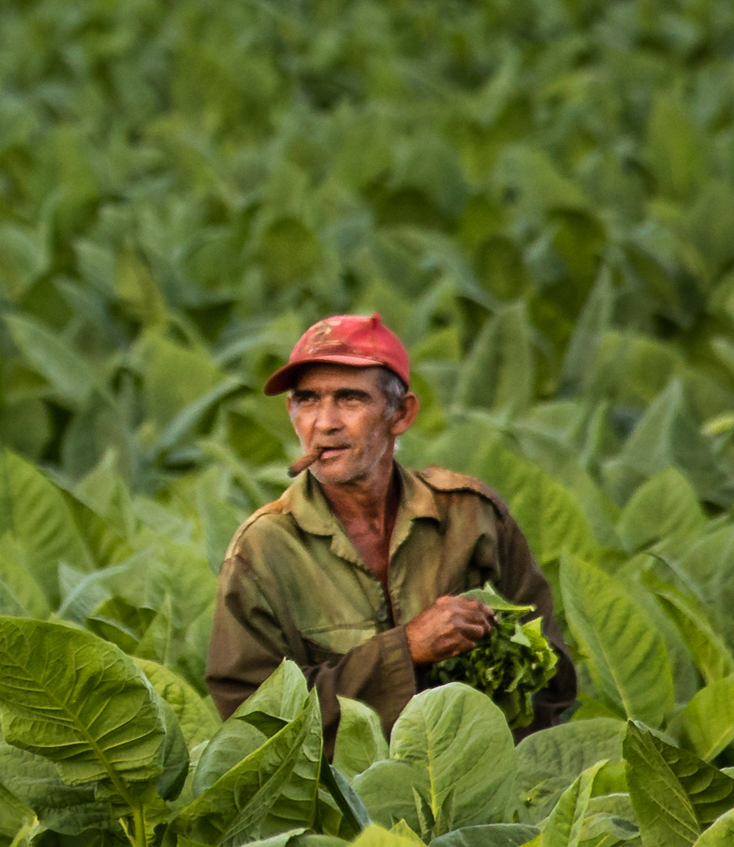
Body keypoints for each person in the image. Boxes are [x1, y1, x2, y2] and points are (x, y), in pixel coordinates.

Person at [206, 313, 575, 752]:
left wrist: (495, 779)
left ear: (401, 413)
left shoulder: (472, 517)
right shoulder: (263, 548)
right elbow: (253, 720)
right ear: (291, 412)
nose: (324, 423)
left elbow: (548, 680)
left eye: (349, 399)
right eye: (307, 400)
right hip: (333, 809)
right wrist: (406, 650)